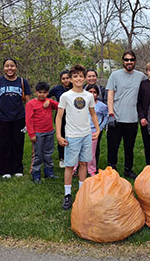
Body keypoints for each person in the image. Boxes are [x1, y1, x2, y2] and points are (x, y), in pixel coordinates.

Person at [56, 64, 100, 210]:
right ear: (71, 79)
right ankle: (67, 195)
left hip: (86, 135)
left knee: (84, 164)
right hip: (72, 136)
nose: (79, 79)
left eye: (81, 76)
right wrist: (58, 135)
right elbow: (59, 116)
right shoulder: (66, 96)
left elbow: (93, 113)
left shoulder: (88, 95)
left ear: (85, 78)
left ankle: (82, 193)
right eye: (75, 76)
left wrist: (98, 129)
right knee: (69, 166)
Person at [106, 50, 146, 179]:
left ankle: (128, 169)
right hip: (116, 117)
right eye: (126, 59)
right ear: (122, 61)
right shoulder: (115, 75)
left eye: (131, 59)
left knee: (129, 147)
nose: (129, 62)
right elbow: (110, 94)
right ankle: (112, 168)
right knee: (113, 146)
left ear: (135, 61)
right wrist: (110, 112)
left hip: (132, 119)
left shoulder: (141, 76)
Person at [0, 58, 31, 178]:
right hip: (2, 117)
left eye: (12, 66)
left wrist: (29, 120)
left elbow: (28, 103)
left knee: (18, 144)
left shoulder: (23, 82)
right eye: (7, 66)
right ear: (3, 68)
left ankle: (17, 168)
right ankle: (5, 170)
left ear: (16, 67)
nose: (10, 68)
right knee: (3, 144)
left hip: (19, 117)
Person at [26, 82, 59, 184]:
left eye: (44, 93)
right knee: (38, 154)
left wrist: (50, 101)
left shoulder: (48, 102)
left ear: (48, 93)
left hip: (49, 131)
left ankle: (49, 172)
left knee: (48, 153)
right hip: (38, 133)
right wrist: (31, 134)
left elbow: (59, 106)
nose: (42, 95)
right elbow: (29, 120)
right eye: (39, 92)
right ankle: (36, 173)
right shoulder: (31, 104)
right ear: (36, 92)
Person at [72, 84, 108, 176]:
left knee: (91, 153)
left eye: (94, 92)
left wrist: (99, 128)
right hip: (80, 131)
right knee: (78, 150)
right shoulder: (81, 103)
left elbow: (106, 116)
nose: (92, 94)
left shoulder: (101, 106)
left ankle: (91, 170)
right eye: (90, 92)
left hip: (93, 132)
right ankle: (75, 169)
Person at [48, 70, 71, 168]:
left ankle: (71, 157)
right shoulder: (57, 89)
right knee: (61, 136)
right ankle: (62, 158)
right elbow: (46, 96)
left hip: (72, 116)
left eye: (67, 78)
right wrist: (50, 103)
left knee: (71, 136)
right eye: (63, 78)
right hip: (60, 115)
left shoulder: (75, 88)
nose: (65, 80)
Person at [84, 69, 106, 166]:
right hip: (83, 125)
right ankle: (81, 166)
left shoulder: (102, 90)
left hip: (97, 125)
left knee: (94, 147)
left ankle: (93, 166)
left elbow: (105, 109)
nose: (91, 78)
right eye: (89, 76)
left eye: (93, 76)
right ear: (85, 78)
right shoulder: (81, 90)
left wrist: (100, 127)